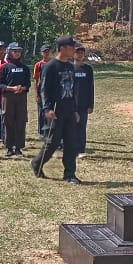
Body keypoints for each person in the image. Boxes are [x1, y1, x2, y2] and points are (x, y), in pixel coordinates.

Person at [31, 36, 82, 184]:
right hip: (55, 109)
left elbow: (73, 90)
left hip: (69, 110)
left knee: (71, 143)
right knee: (53, 142)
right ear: (63, 48)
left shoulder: (70, 67)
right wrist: (46, 108)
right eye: (71, 47)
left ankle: (70, 174)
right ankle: (37, 162)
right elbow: (44, 89)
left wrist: (75, 110)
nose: (74, 49)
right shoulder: (51, 66)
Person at [0, 42, 31, 157]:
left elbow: (28, 84)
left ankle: (19, 147)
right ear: (9, 52)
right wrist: (12, 88)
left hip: (21, 97)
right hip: (8, 97)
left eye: (19, 51)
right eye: (15, 51)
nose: (17, 53)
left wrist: (22, 88)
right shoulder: (4, 67)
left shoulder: (24, 68)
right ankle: (9, 147)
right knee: (8, 121)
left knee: (20, 121)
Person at [73, 45, 95, 157]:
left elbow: (91, 87)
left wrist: (91, 104)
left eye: (82, 52)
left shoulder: (88, 69)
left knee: (82, 127)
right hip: (71, 104)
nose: (80, 54)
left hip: (83, 104)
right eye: (77, 52)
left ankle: (81, 150)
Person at [34, 43, 53, 139]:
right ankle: (42, 131)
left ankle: (50, 130)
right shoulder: (38, 65)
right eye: (44, 51)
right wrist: (36, 94)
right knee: (41, 112)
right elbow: (36, 80)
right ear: (41, 53)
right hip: (42, 91)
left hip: (52, 91)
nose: (46, 53)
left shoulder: (54, 63)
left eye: (48, 51)